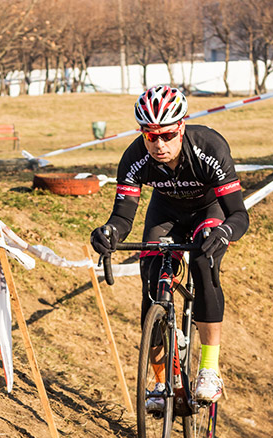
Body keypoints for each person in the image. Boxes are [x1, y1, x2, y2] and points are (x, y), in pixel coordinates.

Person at [90, 84, 249, 406]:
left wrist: (224, 233)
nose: (159, 144)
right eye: (150, 136)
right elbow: (122, 217)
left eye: (166, 135)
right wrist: (108, 232)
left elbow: (238, 214)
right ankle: (162, 386)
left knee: (204, 263)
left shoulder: (209, 148)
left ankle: (209, 369)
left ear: (181, 128)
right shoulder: (135, 158)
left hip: (210, 212)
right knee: (150, 280)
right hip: (165, 215)